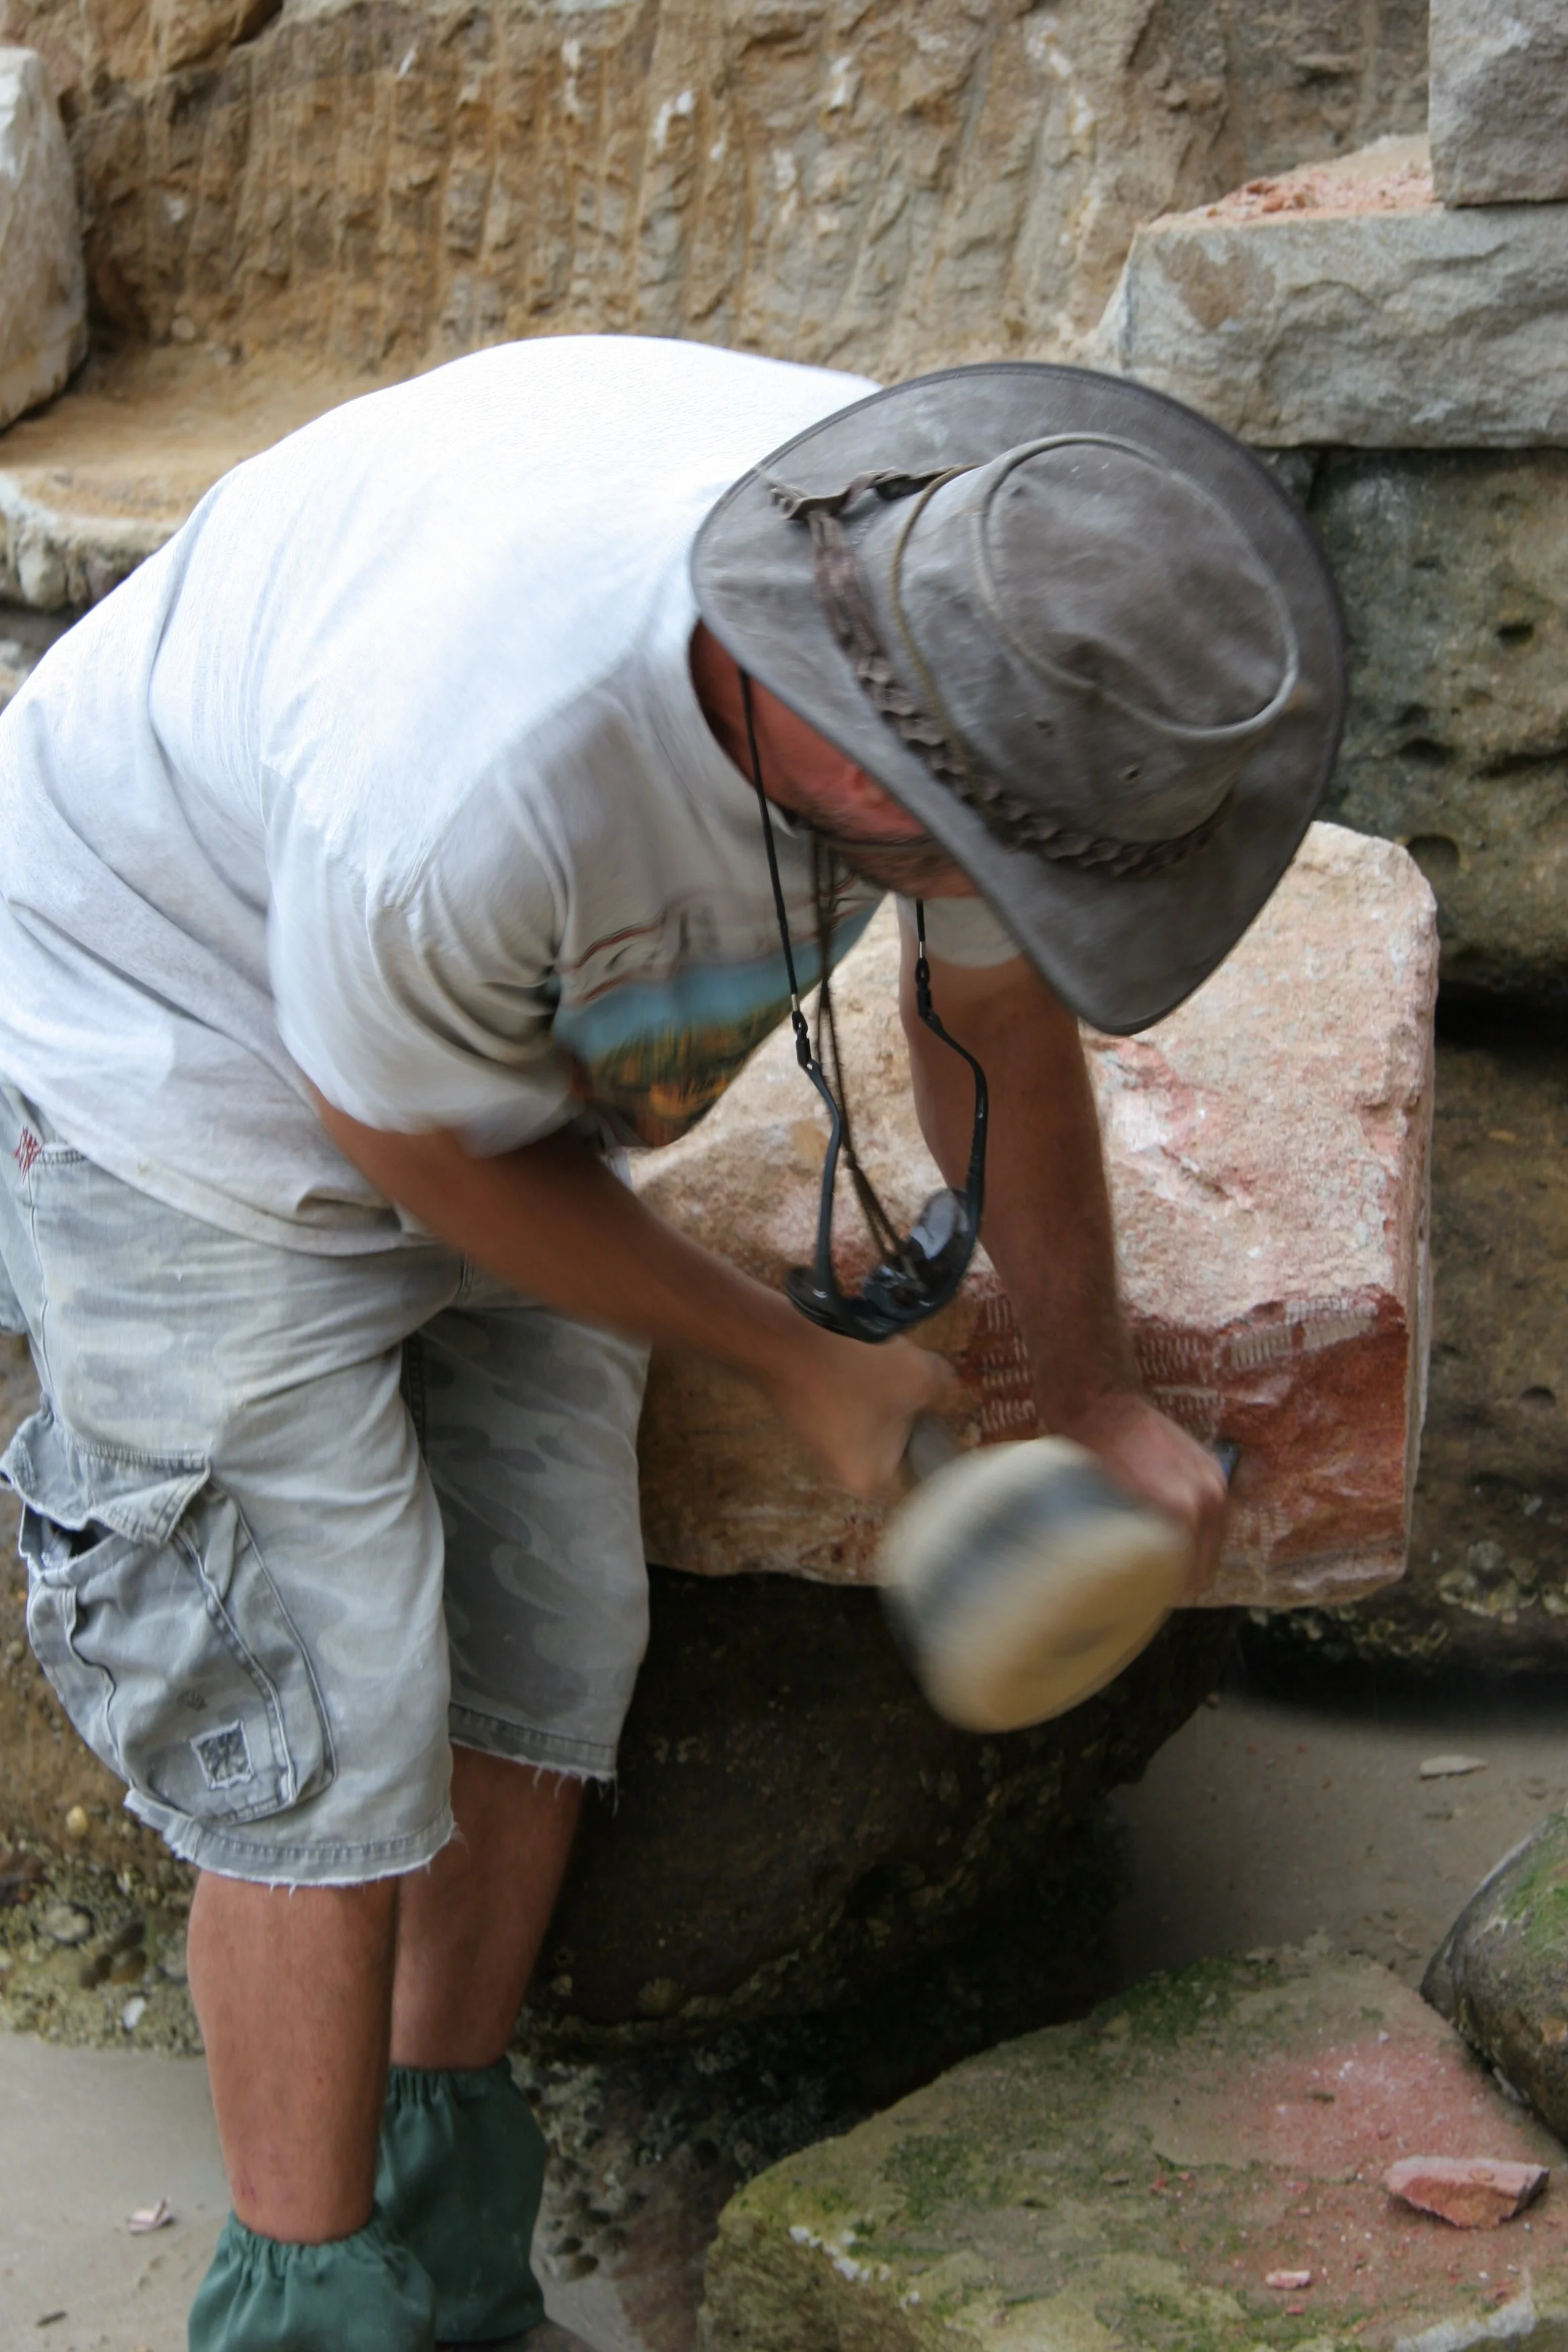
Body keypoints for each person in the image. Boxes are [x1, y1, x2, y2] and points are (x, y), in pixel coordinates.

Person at [0, 335, 1344, 2350]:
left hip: (478, 1045)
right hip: (179, 1042)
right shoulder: (476, 773)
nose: (988, 901)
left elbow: (992, 1031)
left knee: (550, 1643)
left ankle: (444, 2249)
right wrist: (794, 1361)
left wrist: (1090, 1395)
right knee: (311, 1704)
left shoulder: (980, 621)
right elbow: (408, 1143)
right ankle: (303, 2301)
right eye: (961, 864)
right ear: (842, 748)